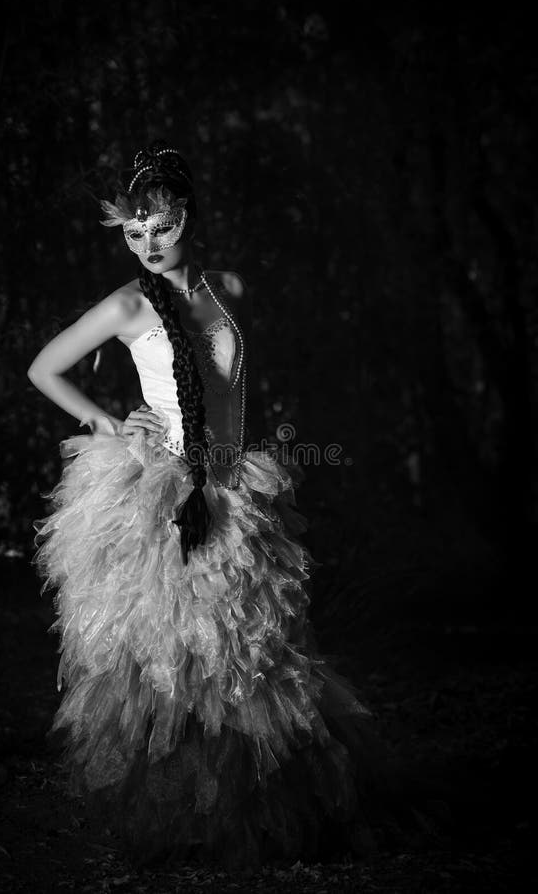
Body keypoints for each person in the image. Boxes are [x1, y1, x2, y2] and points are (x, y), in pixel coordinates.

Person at [29, 141, 439, 869]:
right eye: (133, 231)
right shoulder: (125, 304)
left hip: (233, 481)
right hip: (160, 488)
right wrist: (110, 422)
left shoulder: (231, 291)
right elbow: (44, 368)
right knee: (170, 648)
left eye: (160, 226)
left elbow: (232, 389)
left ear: (189, 217)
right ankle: (172, 811)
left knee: (249, 647)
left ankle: (252, 804)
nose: (148, 243)